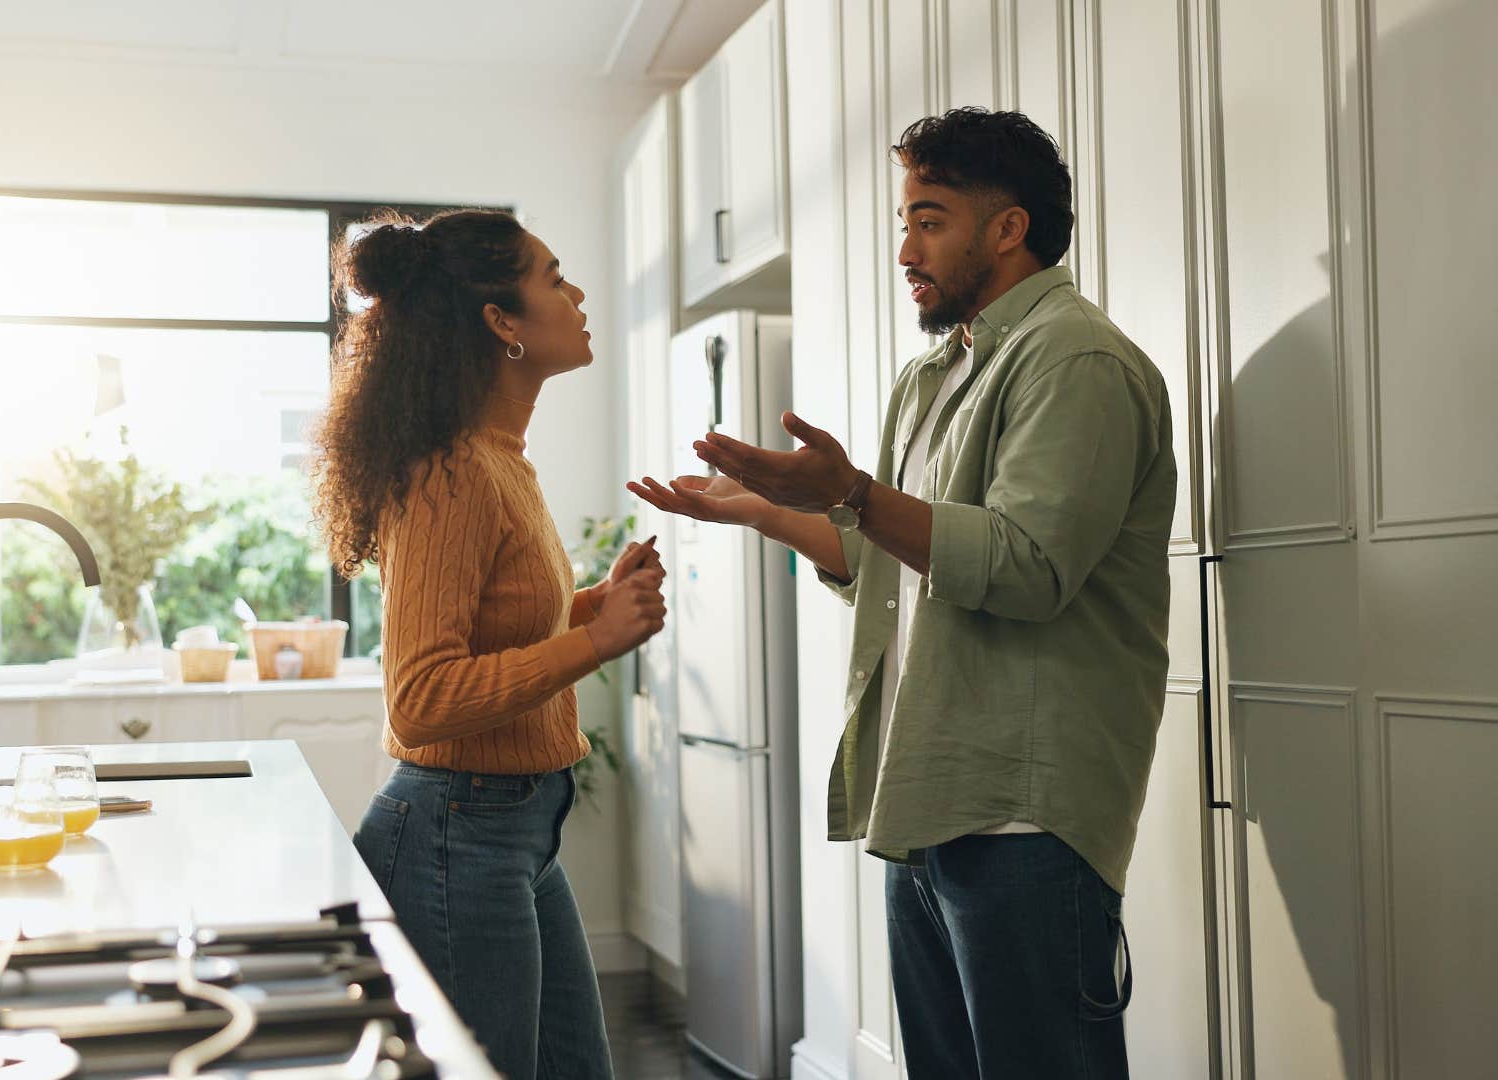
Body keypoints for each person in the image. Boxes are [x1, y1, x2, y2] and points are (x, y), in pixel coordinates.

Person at [631, 108, 1176, 1078]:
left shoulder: (1075, 360)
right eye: (903, 220)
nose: (904, 250)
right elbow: (887, 565)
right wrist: (762, 511)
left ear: (1008, 228)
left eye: (929, 219)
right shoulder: (936, 374)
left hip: (1027, 816)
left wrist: (851, 491)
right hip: (931, 801)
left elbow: (1025, 566)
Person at [312, 207, 665, 1080]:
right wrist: (593, 645)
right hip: (454, 832)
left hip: (511, 830)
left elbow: (500, 628)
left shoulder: (498, 456)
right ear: (502, 324)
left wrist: (591, 610)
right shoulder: (453, 472)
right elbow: (423, 699)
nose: (576, 293)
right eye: (553, 277)